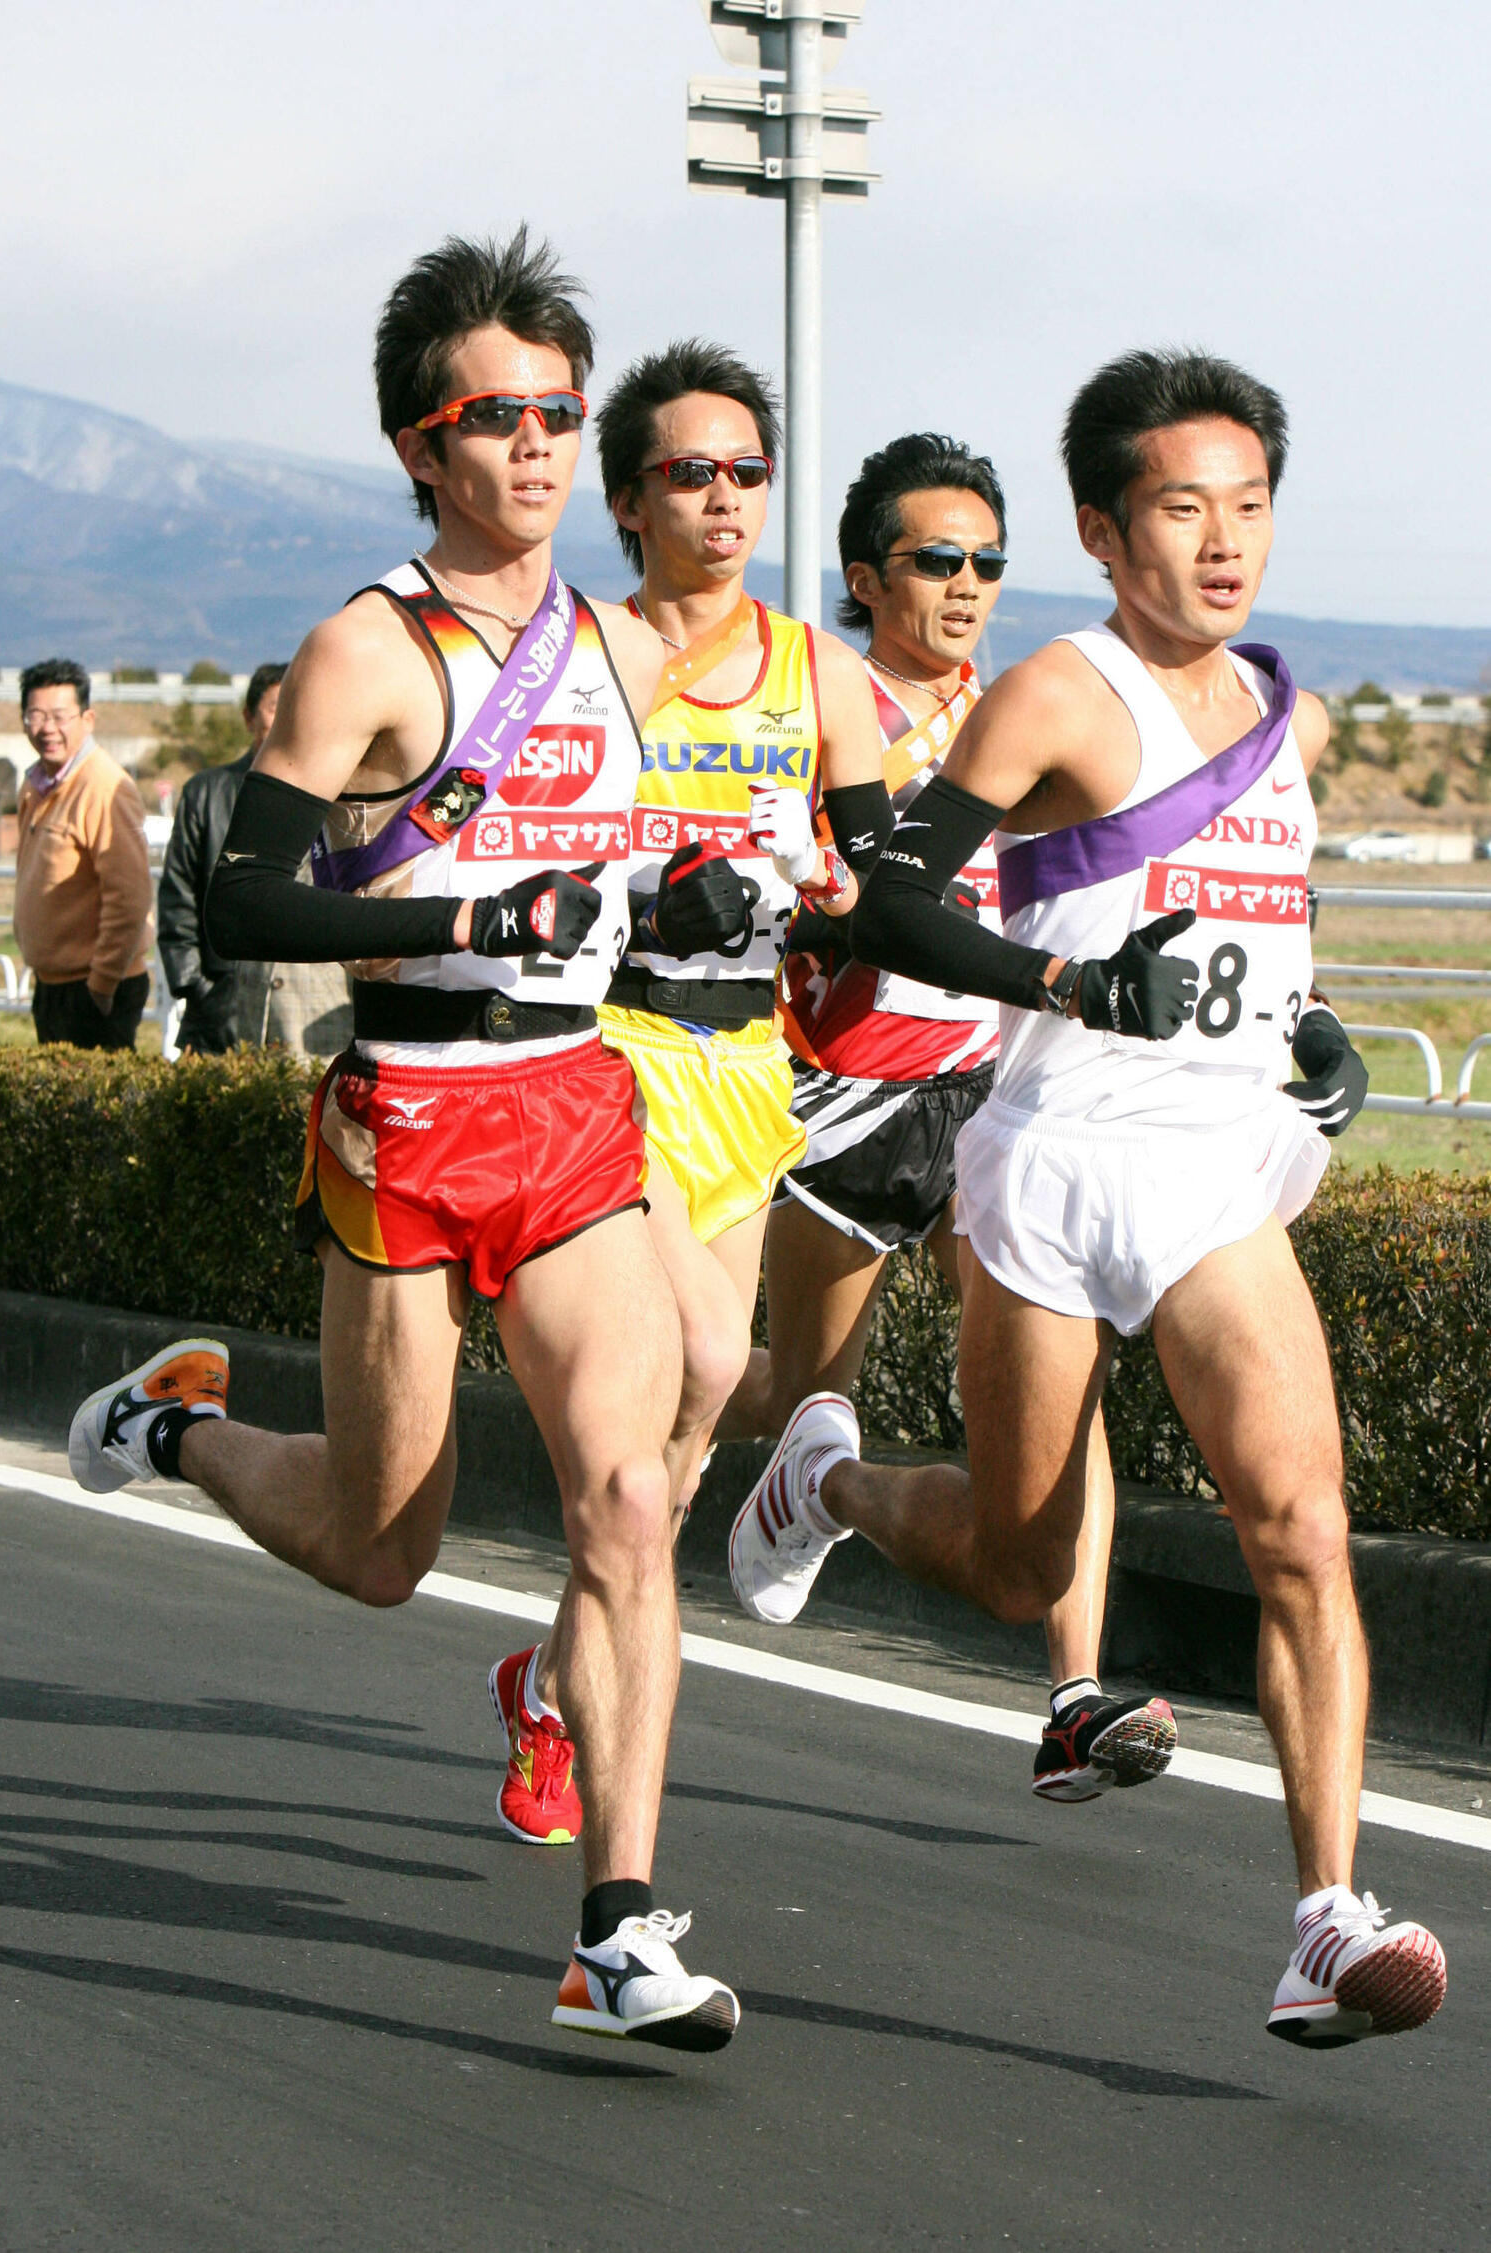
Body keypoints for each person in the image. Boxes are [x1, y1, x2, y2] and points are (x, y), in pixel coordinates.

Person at [67, 228, 739, 2052]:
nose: (534, 445)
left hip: (574, 1108)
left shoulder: (613, 646)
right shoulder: (367, 647)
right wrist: (458, 922)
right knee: (384, 1550)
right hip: (410, 1116)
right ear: (420, 445)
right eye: (493, 415)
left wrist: (678, 886)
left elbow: (589, 879)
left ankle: (618, 1922)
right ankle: (182, 1423)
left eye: (557, 413)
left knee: (623, 1496)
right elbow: (252, 892)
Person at [731, 348, 1441, 2049]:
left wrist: (1320, 1031)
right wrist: (1067, 991)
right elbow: (895, 901)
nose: (1223, 542)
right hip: (1054, 1153)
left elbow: (1254, 937)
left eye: (1249, 504)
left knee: (1303, 1526)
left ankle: (1326, 1917)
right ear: (1105, 529)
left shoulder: (1293, 709)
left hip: (1212, 1166)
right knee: (1012, 1553)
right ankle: (829, 1477)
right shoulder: (1059, 685)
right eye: (1183, 508)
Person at [720, 432, 1175, 1802]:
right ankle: (563, 1676)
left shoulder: (1014, 715)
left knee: (1063, 1382)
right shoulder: (816, 702)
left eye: (988, 561)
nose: (968, 585)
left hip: (984, 1098)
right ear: (868, 576)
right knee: (762, 1401)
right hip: (836, 1103)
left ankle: (1074, 1697)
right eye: (937, 561)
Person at [485, 338, 893, 1847]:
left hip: (744, 1072)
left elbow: (875, 881)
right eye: (690, 473)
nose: (725, 499)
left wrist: (824, 883)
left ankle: (546, 1687)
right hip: (602, 1055)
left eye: (748, 474)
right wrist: (661, 885)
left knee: (651, 1486)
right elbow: (500, 848)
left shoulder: (816, 671)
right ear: (626, 500)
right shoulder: (572, 658)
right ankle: (603, 1808)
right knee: (717, 1359)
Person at [159, 662, 353, 1058]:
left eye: (302, 705)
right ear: (249, 717)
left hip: (315, 1017)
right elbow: (178, 900)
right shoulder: (207, 793)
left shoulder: (348, 798)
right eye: (275, 707)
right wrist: (198, 988)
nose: (290, 718)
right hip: (222, 1006)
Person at [15, 659, 153, 1049]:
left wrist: (102, 983)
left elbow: (130, 898)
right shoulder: (36, 784)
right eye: (36, 715)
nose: (47, 728)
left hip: (94, 988)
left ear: (87, 719)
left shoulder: (106, 787)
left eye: (60, 716)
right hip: (54, 984)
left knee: (93, 1108)